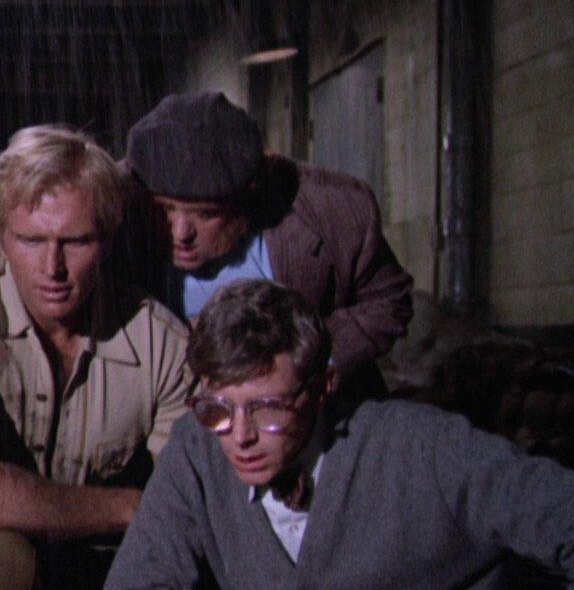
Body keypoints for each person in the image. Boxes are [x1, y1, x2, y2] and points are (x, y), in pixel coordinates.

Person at [98, 280, 574, 590]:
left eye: (268, 408)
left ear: (324, 386)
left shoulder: (424, 447)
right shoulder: (197, 448)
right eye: (218, 408)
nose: (240, 435)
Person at [0, 124, 194, 590]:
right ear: (0, 235)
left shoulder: (160, 341)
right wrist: (128, 506)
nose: (53, 267)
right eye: (31, 240)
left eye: (76, 242)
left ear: (106, 240)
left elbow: (184, 506)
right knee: (2, 561)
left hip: (94, 564)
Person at [121, 92, 412, 399]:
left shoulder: (331, 211)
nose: (180, 233)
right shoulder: (115, 207)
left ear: (246, 198)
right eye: (165, 208)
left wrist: (308, 360)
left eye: (206, 214)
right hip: (172, 401)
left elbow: (389, 302)